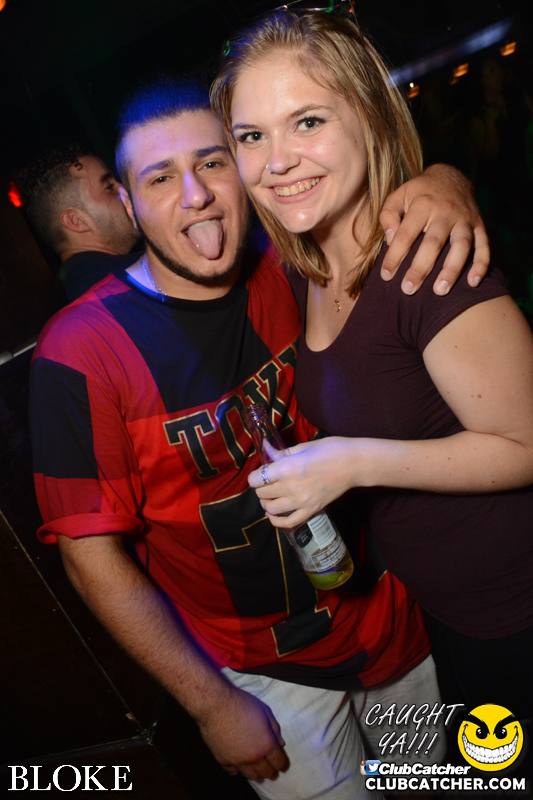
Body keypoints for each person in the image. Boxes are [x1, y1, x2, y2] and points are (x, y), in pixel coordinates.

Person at [30, 78, 489, 800]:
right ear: (126, 201)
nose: (196, 195)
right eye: (160, 177)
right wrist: (211, 704)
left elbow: (392, 206)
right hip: (267, 680)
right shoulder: (83, 350)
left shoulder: (292, 264)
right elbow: (91, 561)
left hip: (388, 625)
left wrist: (445, 181)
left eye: (212, 162)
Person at [211, 5, 533, 764]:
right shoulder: (303, 268)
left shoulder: (429, 264)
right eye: (251, 136)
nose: (277, 160)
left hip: (514, 612)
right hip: (445, 611)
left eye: (307, 121)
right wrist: (445, 175)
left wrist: (350, 463)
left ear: (367, 115)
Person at [15, 143, 141, 301]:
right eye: (109, 186)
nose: (124, 189)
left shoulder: (73, 290)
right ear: (76, 221)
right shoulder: (141, 279)